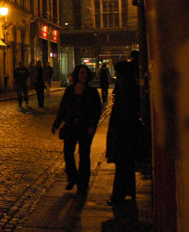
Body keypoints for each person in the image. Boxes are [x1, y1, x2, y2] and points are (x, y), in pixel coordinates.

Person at [51, 64, 103, 194]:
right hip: (71, 126)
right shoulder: (70, 90)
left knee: (84, 155)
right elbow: (63, 108)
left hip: (85, 127)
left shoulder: (92, 92)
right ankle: (72, 178)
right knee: (68, 153)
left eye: (85, 73)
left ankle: (83, 184)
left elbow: (96, 111)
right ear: (77, 74)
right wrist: (56, 124)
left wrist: (92, 125)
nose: (83, 75)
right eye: (81, 73)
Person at [105, 61, 143, 205]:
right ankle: (128, 191)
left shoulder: (126, 86)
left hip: (124, 132)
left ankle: (119, 195)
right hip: (126, 131)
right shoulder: (129, 83)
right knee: (126, 165)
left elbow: (124, 110)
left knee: (122, 164)